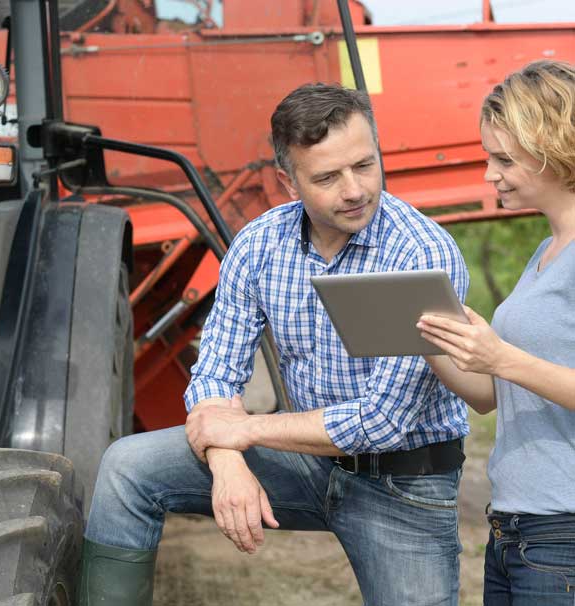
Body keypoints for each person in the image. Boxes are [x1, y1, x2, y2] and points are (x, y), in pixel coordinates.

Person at [77, 82, 471, 606]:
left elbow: (382, 422)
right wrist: (227, 460)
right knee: (128, 466)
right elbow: (215, 374)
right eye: (328, 177)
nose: (354, 190)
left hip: (403, 482)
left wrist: (243, 430)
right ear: (289, 183)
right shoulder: (261, 243)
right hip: (307, 462)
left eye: (365, 165)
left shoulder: (421, 253)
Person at [416, 60, 575, 606]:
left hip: (564, 537)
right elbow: (489, 397)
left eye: (504, 158)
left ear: (555, 149)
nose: (489, 173)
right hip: (515, 531)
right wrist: (424, 335)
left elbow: (505, 367)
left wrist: (502, 357)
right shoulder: (544, 255)